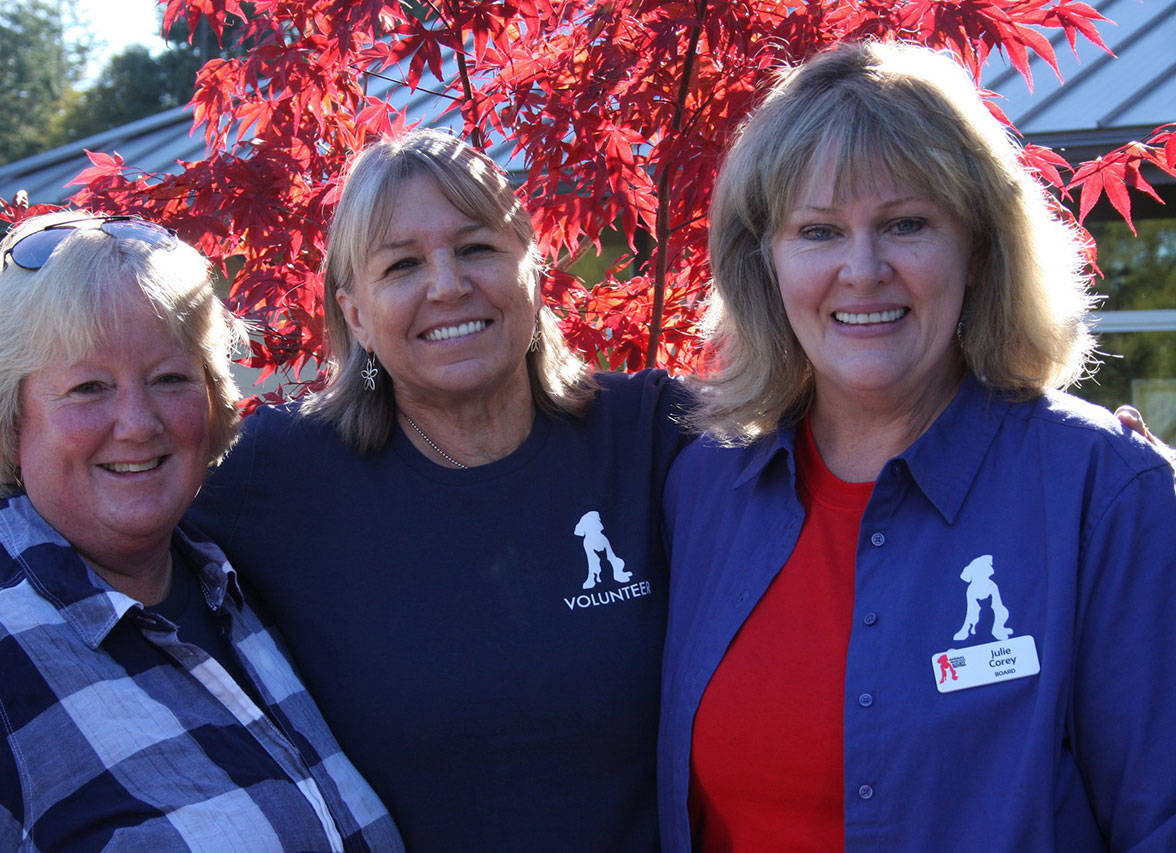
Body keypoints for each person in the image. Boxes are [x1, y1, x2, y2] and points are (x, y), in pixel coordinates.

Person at [659, 41, 1176, 851]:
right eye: (819, 231)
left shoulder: (1102, 494)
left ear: (977, 248)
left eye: (906, 223)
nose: (862, 271)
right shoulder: (704, 488)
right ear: (766, 263)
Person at [188, 129, 689, 850]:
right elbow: (104, 536)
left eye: (478, 247)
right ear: (355, 312)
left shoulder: (650, 435)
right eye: (402, 264)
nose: (449, 283)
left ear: (533, 266)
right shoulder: (278, 478)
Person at [0, 211, 403, 850]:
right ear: (11, 414)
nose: (137, 423)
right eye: (88, 388)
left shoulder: (234, 586)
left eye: (169, 379)